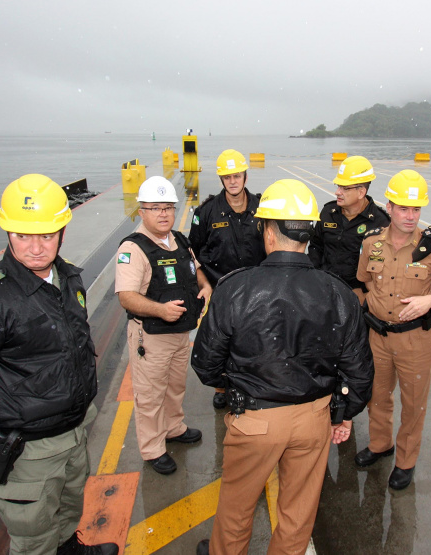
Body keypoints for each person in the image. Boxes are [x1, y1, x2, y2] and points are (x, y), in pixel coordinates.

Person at [0, 174, 118, 555]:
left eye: (46, 235)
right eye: (22, 235)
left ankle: (71, 549)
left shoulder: (69, 279)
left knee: (68, 510)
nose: (35, 247)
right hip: (29, 451)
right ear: (7, 232)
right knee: (34, 538)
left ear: (62, 231)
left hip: (75, 430)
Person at [191, 179, 374, 555]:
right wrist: (340, 413)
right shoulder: (338, 292)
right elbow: (360, 372)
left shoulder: (235, 288)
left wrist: (237, 383)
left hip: (254, 417)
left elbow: (206, 364)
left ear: (268, 231)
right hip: (314, 418)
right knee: (297, 517)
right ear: (309, 233)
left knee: (236, 511)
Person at [354, 169, 431, 490]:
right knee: (377, 396)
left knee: (413, 404)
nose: (411, 216)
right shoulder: (372, 242)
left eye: (416, 209)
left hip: (415, 339)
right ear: (389, 207)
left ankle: (405, 461)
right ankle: (380, 444)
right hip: (378, 335)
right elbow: (362, 282)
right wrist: (369, 308)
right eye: (403, 208)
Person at [115, 176, 212, 475]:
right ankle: (153, 448)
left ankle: (173, 428)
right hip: (151, 336)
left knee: (175, 386)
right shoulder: (133, 249)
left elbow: (195, 269)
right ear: (141, 212)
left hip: (180, 333)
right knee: (150, 394)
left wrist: (206, 285)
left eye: (168, 207)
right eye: (155, 208)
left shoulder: (179, 239)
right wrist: (160, 310)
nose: (163, 214)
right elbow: (126, 297)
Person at [188, 149, 265, 410]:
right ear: (221, 179)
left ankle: (250, 382)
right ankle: (221, 387)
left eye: (237, 176)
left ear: (245, 176)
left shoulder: (262, 208)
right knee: (220, 343)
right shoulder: (206, 212)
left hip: (255, 290)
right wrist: (204, 284)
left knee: (255, 339)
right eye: (227, 177)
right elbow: (192, 254)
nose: (233, 181)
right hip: (219, 289)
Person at [308, 155, 390, 302]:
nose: (337, 192)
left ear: (361, 192)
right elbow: (316, 247)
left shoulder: (380, 222)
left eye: (345, 188)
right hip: (325, 290)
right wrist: (316, 278)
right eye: (338, 186)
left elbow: (385, 266)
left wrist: (365, 295)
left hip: (358, 296)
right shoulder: (328, 213)